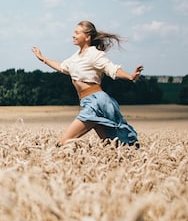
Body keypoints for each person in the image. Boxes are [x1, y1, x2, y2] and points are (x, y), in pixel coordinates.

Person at [32, 20, 144, 148]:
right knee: (112, 146)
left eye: (77, 33)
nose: (73, 35)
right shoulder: (75, 57)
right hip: (87, 101)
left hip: (96, 103)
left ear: (87, 37)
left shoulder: (94, 54)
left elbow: (111, 69)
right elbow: (63, 67)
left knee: (63, 142)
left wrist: (130, 76)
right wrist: (43, 59)